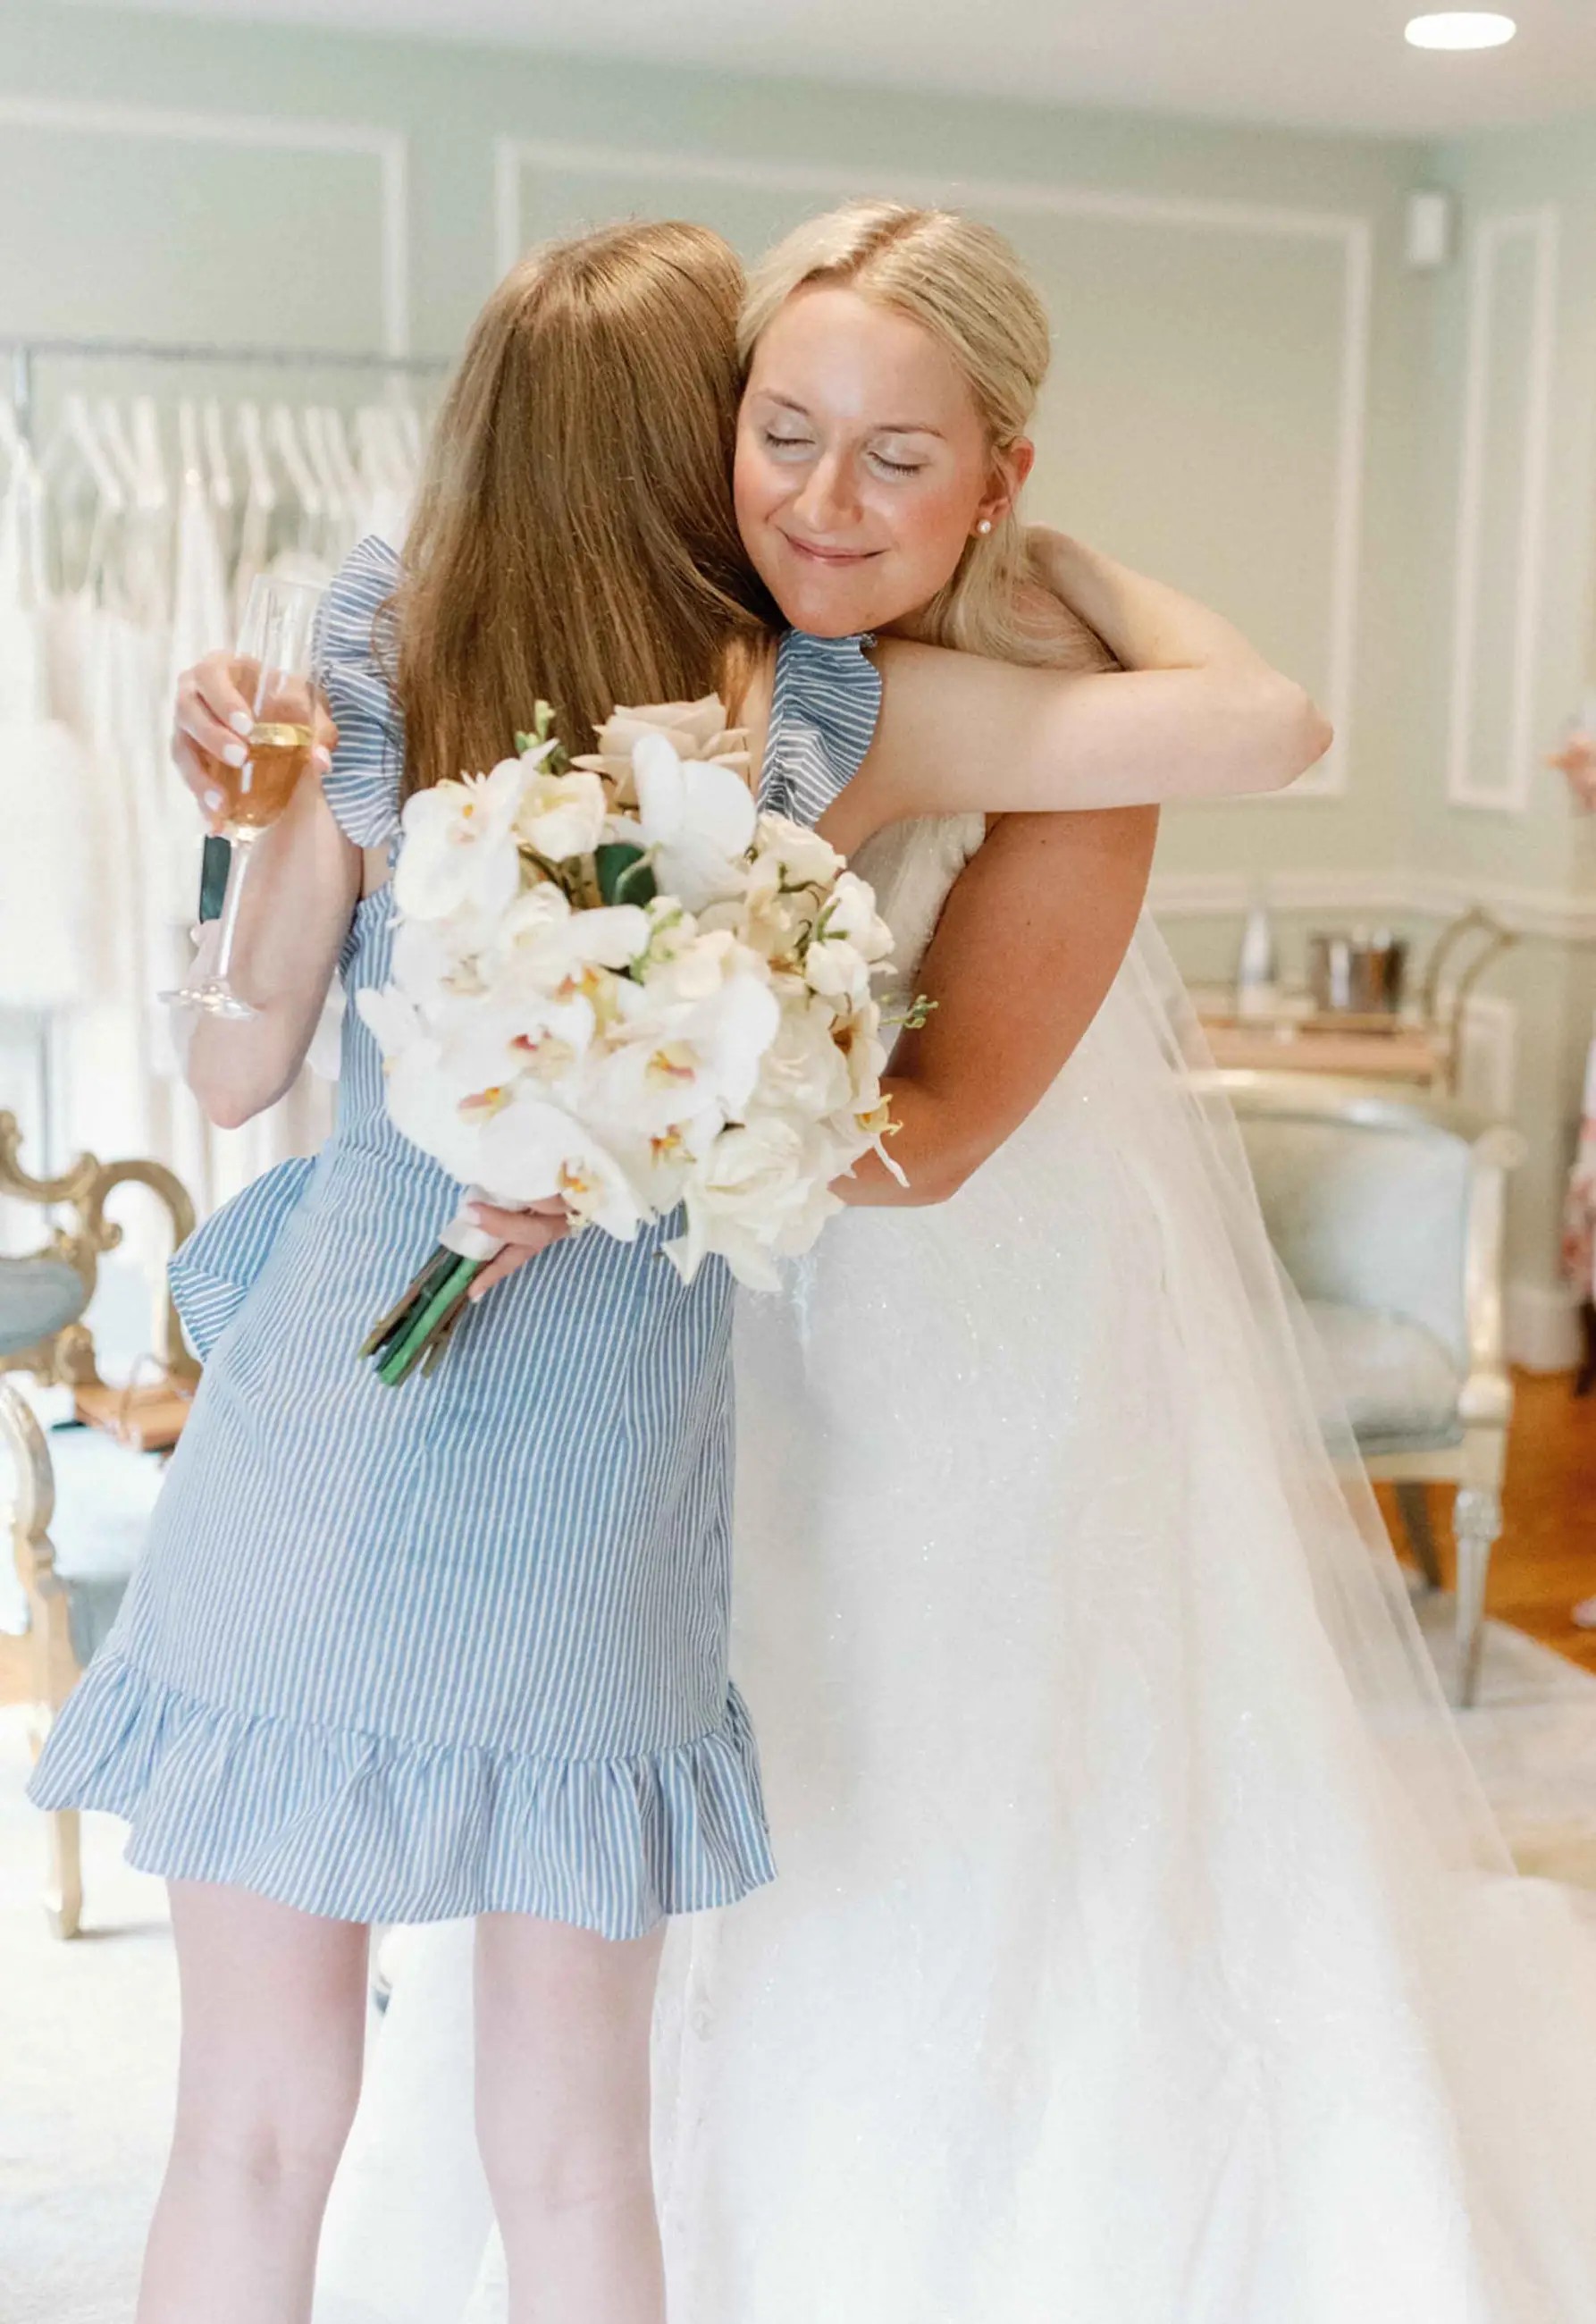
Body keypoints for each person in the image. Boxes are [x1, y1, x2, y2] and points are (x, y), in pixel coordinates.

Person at [309, 203, 1596, 2324]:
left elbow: (939, 1132)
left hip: (955, 1346)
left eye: (900, 455)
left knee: (912, 1788)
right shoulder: (697, 659)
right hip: (695, 1333)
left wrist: (628, 1105)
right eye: (781, 429)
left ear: (1000, 470)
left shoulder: (1065, 722)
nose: (823, 498)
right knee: (661, 1776)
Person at [56, 216, 1324, 2324]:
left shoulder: (392, 645)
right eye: (776, 430)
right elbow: (1257, 722)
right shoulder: (822, 714)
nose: (808, 494)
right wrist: (1069, 565)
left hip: (321, 1433)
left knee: (252, 2125)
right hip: (590, 1466)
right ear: (705, 446)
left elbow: (226, 1067)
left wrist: (257, 841)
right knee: (571, 2158)